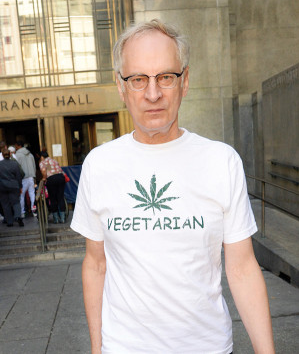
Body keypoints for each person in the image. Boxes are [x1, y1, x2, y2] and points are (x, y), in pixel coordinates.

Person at [71, 20, 275, 354]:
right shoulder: (98, 164)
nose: (153, 93)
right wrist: (97, 349)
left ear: (185, 81)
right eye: (138, 79)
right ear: (121, 87)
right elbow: (96, 265)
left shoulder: (221, 161)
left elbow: (241, 267)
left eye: (166, 77)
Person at [39, 151, 66, 224]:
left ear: (42, 157)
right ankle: (63, 218)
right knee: (60, 197)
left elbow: (44, 171)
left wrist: (44, 178)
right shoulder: (54, 160)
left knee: (53, 199)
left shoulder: (42, 162)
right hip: (61, 178)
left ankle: (56, 219)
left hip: (51, 179)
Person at [0, 148, 24, 227]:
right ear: (10, 154)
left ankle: (9, 221)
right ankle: (18, 216)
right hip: (14, 185)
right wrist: (20, 186)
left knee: (5, 204)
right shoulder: (14, 164)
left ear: (2, 155)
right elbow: (18, 176)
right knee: (16, 202)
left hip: (2, 187)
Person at [15, 141, 37, 218]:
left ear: (18, 146)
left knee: (21, 195)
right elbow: (34, 166)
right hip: (31, 177)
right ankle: (34, 211)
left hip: (23, 178)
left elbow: (16, 168)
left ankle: (22, 212)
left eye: (16, 146)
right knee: (32, 194)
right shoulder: (30, 154)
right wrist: (34, 177)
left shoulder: (17, 155)